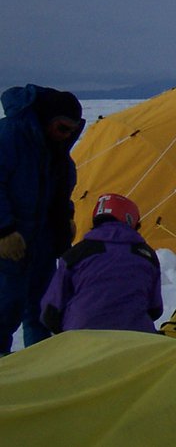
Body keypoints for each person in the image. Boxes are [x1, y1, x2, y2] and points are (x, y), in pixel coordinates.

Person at [0, 84, 84, 354]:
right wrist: (4, 231)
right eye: (62, 128)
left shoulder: (55, 150)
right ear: (48, 119)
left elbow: (57, 190)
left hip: (42, 243)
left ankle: (39, 367)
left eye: (72, 130)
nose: (67, 135)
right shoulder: (10, 136)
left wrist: (65, 220)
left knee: (42, 310)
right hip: (10, 242)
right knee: (5, 308)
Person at [40, 193, 162, 334]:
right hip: (135, 337)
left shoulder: (75, 255)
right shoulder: (147, 257)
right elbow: (155, 309)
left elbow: (50, 311)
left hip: (81, 337)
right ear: (131, 221)